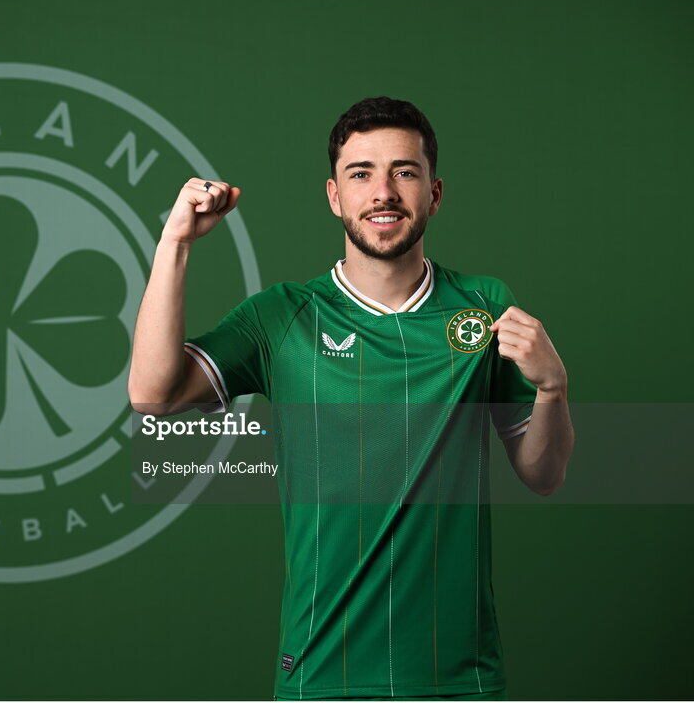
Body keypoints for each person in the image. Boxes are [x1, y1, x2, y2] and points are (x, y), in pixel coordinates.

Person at [128, 97, 574, 701]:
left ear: (434, 193)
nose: (383, 192)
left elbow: (543, 474)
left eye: (404, 172)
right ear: (336, 196)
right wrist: (175, 242)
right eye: (361, 173)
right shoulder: (282, 317)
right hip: (321, 674)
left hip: (459, 678)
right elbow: (153, 396)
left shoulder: (484, 305)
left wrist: (553, 386)